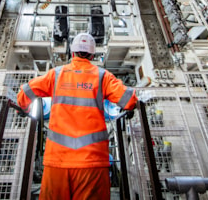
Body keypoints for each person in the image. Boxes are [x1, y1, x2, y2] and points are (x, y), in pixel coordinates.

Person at [17, 32, 138, 200]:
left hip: (57, 163)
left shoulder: (56, 74)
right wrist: (131, 105)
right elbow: (129, 99)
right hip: (93, 164)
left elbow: (25, 92)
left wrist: (23, 108)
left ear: (72, 53)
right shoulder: (103, 76)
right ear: (92, 54)